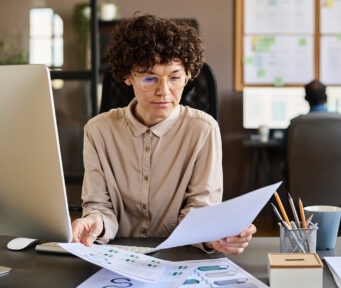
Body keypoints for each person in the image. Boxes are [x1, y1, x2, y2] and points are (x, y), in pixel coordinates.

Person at [71, 14, 256, 255]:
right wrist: (94, 222)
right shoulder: (98, 130)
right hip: (116, 256)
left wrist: (214, 237)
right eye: (150, 78)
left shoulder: (203, 129)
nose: (164, 91)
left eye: (175, 77)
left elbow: (201, 209)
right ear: (128, 77)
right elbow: (99, 206)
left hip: (179, 255)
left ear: (188, 76)